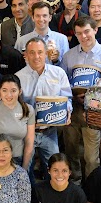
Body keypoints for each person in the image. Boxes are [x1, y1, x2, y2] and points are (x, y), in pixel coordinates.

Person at [60, 16, 101, 183]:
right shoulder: (69, 55)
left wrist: (96, 96)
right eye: (79, 33)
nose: (83, 36)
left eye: (87, 31)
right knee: (71, 152)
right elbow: (62, 83)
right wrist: (72, 94)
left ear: (95, 30)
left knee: (91, 157)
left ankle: (93, 187)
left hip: (94, 113)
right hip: (72, 111)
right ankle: (75, 183)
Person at [17, 38, 72, 179]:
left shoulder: (58, 73)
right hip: (26, 133)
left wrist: (67, 112)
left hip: (50, 132)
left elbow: (67, 99)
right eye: (32, 53)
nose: (36, 57)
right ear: (26, 55)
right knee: (24, 172)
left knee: (54, 169)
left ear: (46, 53)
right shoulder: (18, 78)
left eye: (40, 52)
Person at [0, 74, 35, 170]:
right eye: (4, 90)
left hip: (18, 160)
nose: (9, 95)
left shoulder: (28, 110)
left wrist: (25, 169)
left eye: (13, 91)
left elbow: (29, 143)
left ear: (20, 91)